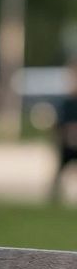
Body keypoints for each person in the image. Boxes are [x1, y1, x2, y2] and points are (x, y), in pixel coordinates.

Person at [52, 60, 77, 203]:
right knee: (61, 167)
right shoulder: (66, 102)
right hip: (67, 143)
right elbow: (59, 124)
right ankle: (55, 193)